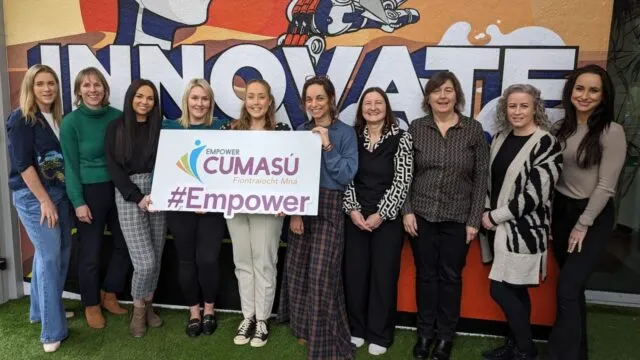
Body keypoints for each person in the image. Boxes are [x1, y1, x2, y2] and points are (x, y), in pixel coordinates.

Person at [403, 71, 489, 360]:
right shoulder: (416, 128)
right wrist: (407, 211)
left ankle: (445, 338)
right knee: (426, 276)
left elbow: (481, 178)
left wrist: (474, 220)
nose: (442, 96)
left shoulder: (473, 130)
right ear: (428, 97)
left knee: (451, 278)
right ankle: (425, 334)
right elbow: (405, 174)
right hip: (422, 215)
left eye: (448, 90)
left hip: (457, 218)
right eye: (437, 91)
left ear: (457, 96)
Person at [545, 65, 627, 360]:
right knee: (572, 291)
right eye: (580, 88)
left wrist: (583, 224)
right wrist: (552, 219)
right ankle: (577, 354)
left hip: (592, 216)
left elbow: (606, 186)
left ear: (604, 96)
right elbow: (553, 178)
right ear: (571, 92)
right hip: (562, 213)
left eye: (594, 90)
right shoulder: (560, 128)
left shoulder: (611, 131)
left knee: (567, 288)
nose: (585, 95)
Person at [479, 84, 562, 360]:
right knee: (515, 290)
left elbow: (536, 195)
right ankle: (514, 345)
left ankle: (526, 350)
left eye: (523, 106)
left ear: (535, 107)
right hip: (497, 230)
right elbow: (492, 181)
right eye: (512, 106)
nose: (517, 111)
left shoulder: (546, 143)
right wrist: (488, 211)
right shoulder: (501, 137)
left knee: (500, 289)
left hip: (523, 231)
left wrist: (494, 216)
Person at [278, 75, 358, 359]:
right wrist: (295, 213)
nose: (315, 104)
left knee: (322, 276)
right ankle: (303, 329)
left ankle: (325, 339)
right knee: (298, 271)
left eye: (320, 98)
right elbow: (293, 176)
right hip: (303, 207)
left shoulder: (345, 133)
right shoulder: (301, 130)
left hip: (330, 207)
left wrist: (327, 145)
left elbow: (346, 175)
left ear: (331, 99)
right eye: (309, 99)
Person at [342, 87, 413, 356]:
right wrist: (353, 211)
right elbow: (347, 177)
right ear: (361, 109)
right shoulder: (352, 138)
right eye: (367, 103)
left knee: (383, 277)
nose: (373, 107)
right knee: (355, 276)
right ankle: (357, 330)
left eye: (378, 103)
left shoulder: (401, 138)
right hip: (355, 217)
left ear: (387, 107)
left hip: (388, 219)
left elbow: (403, 180)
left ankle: (380, 334)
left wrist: (381, 214)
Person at [6, 64, 72, 353]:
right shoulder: (21, 118)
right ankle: (51, 331)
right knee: (49, 258)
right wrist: (44, 200)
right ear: (30, 88)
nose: (47, 89)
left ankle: (42, 310)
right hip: (35, 198)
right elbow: (23, 165)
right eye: (40, 84)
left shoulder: (56, 117)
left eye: (51, 83)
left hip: (59, 193)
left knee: (57, 253)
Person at [221, 79, 291, 347]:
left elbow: (293, 170)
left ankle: (262, 319)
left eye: (261, 97)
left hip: (270, 208)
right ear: (245, 100)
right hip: (235, 206)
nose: (256, 102)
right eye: (251, 97)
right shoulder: (230, 131)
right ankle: (247, 316)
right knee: (242, 262)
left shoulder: (282, 132)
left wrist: (289, 198)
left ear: (270, 101)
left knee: (264, 262)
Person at [60, 67, 131, 329]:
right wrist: (78, 201)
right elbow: (70, 165)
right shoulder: (70, 122)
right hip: (89, 192)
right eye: (87, 85)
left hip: (119, 188)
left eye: (97, 85)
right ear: (79, 91)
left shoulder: (118, 117)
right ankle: (90, 304)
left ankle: (109, 295)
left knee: (126, 245)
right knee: (90, 253)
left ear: (105, 89)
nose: (93, 90)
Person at [162, 79, 225, 338]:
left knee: (208, 260)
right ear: (186, 100)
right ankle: (194, 312)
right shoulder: (169, 128)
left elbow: (228, 171)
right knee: (186, 260)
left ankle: (209, 309)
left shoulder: (222, 128)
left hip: (212, 208)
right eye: (195, 98)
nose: (200, 103)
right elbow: (165, 169)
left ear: (210, 102)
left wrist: (207, 198)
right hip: (180, 209)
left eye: (205, 98)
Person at [105, 79, 165, 338]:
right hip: (129, 196)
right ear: (131, 97)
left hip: (158, 193)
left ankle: (149, 306)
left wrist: (158, 192)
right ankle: (138, 308)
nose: (144, 102)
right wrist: (136, 196)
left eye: (150, 98)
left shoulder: (160, 127)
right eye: (139, 96)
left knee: (157, 255)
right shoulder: (115, 127)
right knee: (144, 262)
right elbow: (114, 169)